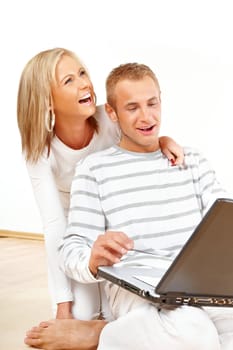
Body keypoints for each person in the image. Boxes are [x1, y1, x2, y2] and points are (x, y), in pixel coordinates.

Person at [57, 62, 233, 349]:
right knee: (195, 331)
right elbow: (71, 249)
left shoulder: (191, 160)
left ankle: (107, 334)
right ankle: (101, 336)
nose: (147, 116)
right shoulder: (94, 170)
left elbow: (224, 220)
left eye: (152, 103)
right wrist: (92, 257)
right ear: (112, 113)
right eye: (132, 107)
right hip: (139, 285)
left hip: (200, 282)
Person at [17, 48, 184, 344]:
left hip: (111, 223)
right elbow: (55, 226)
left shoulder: (108, 120)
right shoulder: (39, 151)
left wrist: (163, 140)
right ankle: (89, 324)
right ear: (48, 101)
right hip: (76, 226)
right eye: (68, 80)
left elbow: (142, 130)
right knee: (82, 312)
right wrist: (62, 307)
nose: (84, 84)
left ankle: (102, 331)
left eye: (82, 73)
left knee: (117, 309)